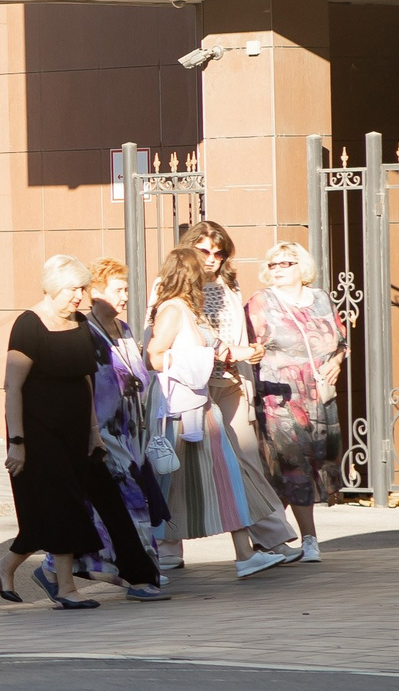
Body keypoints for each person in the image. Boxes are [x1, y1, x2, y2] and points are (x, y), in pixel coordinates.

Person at [0, 256, 167, 609]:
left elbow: (85, 381)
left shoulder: (80, 324)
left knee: (109, 503)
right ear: (54, 288)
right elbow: (13, 388)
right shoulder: (28, 325)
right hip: (41, 435)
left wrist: (94, 433)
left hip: (80, 435)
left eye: (83, 289)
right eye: (73, 289)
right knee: (62, 508)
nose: (79, 296)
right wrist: (17, 443)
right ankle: (66, 589)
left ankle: (7, 566)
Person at [152, 227, 300, 576]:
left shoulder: (227, 284)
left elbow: (222, 337)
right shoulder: (172, 293)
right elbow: (158, 349)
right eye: (205, 252)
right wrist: (214, 357)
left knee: (241, 461)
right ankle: (170, 547)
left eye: (219, 254)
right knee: (181, 467)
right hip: (189, 391)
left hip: (228, 384)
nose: (212, 260)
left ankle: (269, 538)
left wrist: (240, 355)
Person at [247, 242, 345, 564]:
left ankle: (267, 541)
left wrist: (338, 361)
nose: (277, 269)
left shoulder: (321, 299)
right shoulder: (262, 302)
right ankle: (309, 540)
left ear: (302, 267)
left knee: (309, 462)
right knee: (295, 465)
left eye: (285, 263)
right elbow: (248, 345)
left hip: (319, 391)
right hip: (281, 395)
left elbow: (340, 341)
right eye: (273, 264)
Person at [78, 259, 172, 579]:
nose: (124, 296)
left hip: (130, 432)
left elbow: (141, 375)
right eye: (118, 290)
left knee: (130, 499)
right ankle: (142, 568)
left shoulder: (125, 329)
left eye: (127, 289)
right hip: (103, 432)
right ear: (97, 293)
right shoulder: (86, 332)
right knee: (130, 500)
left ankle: (130, 565)